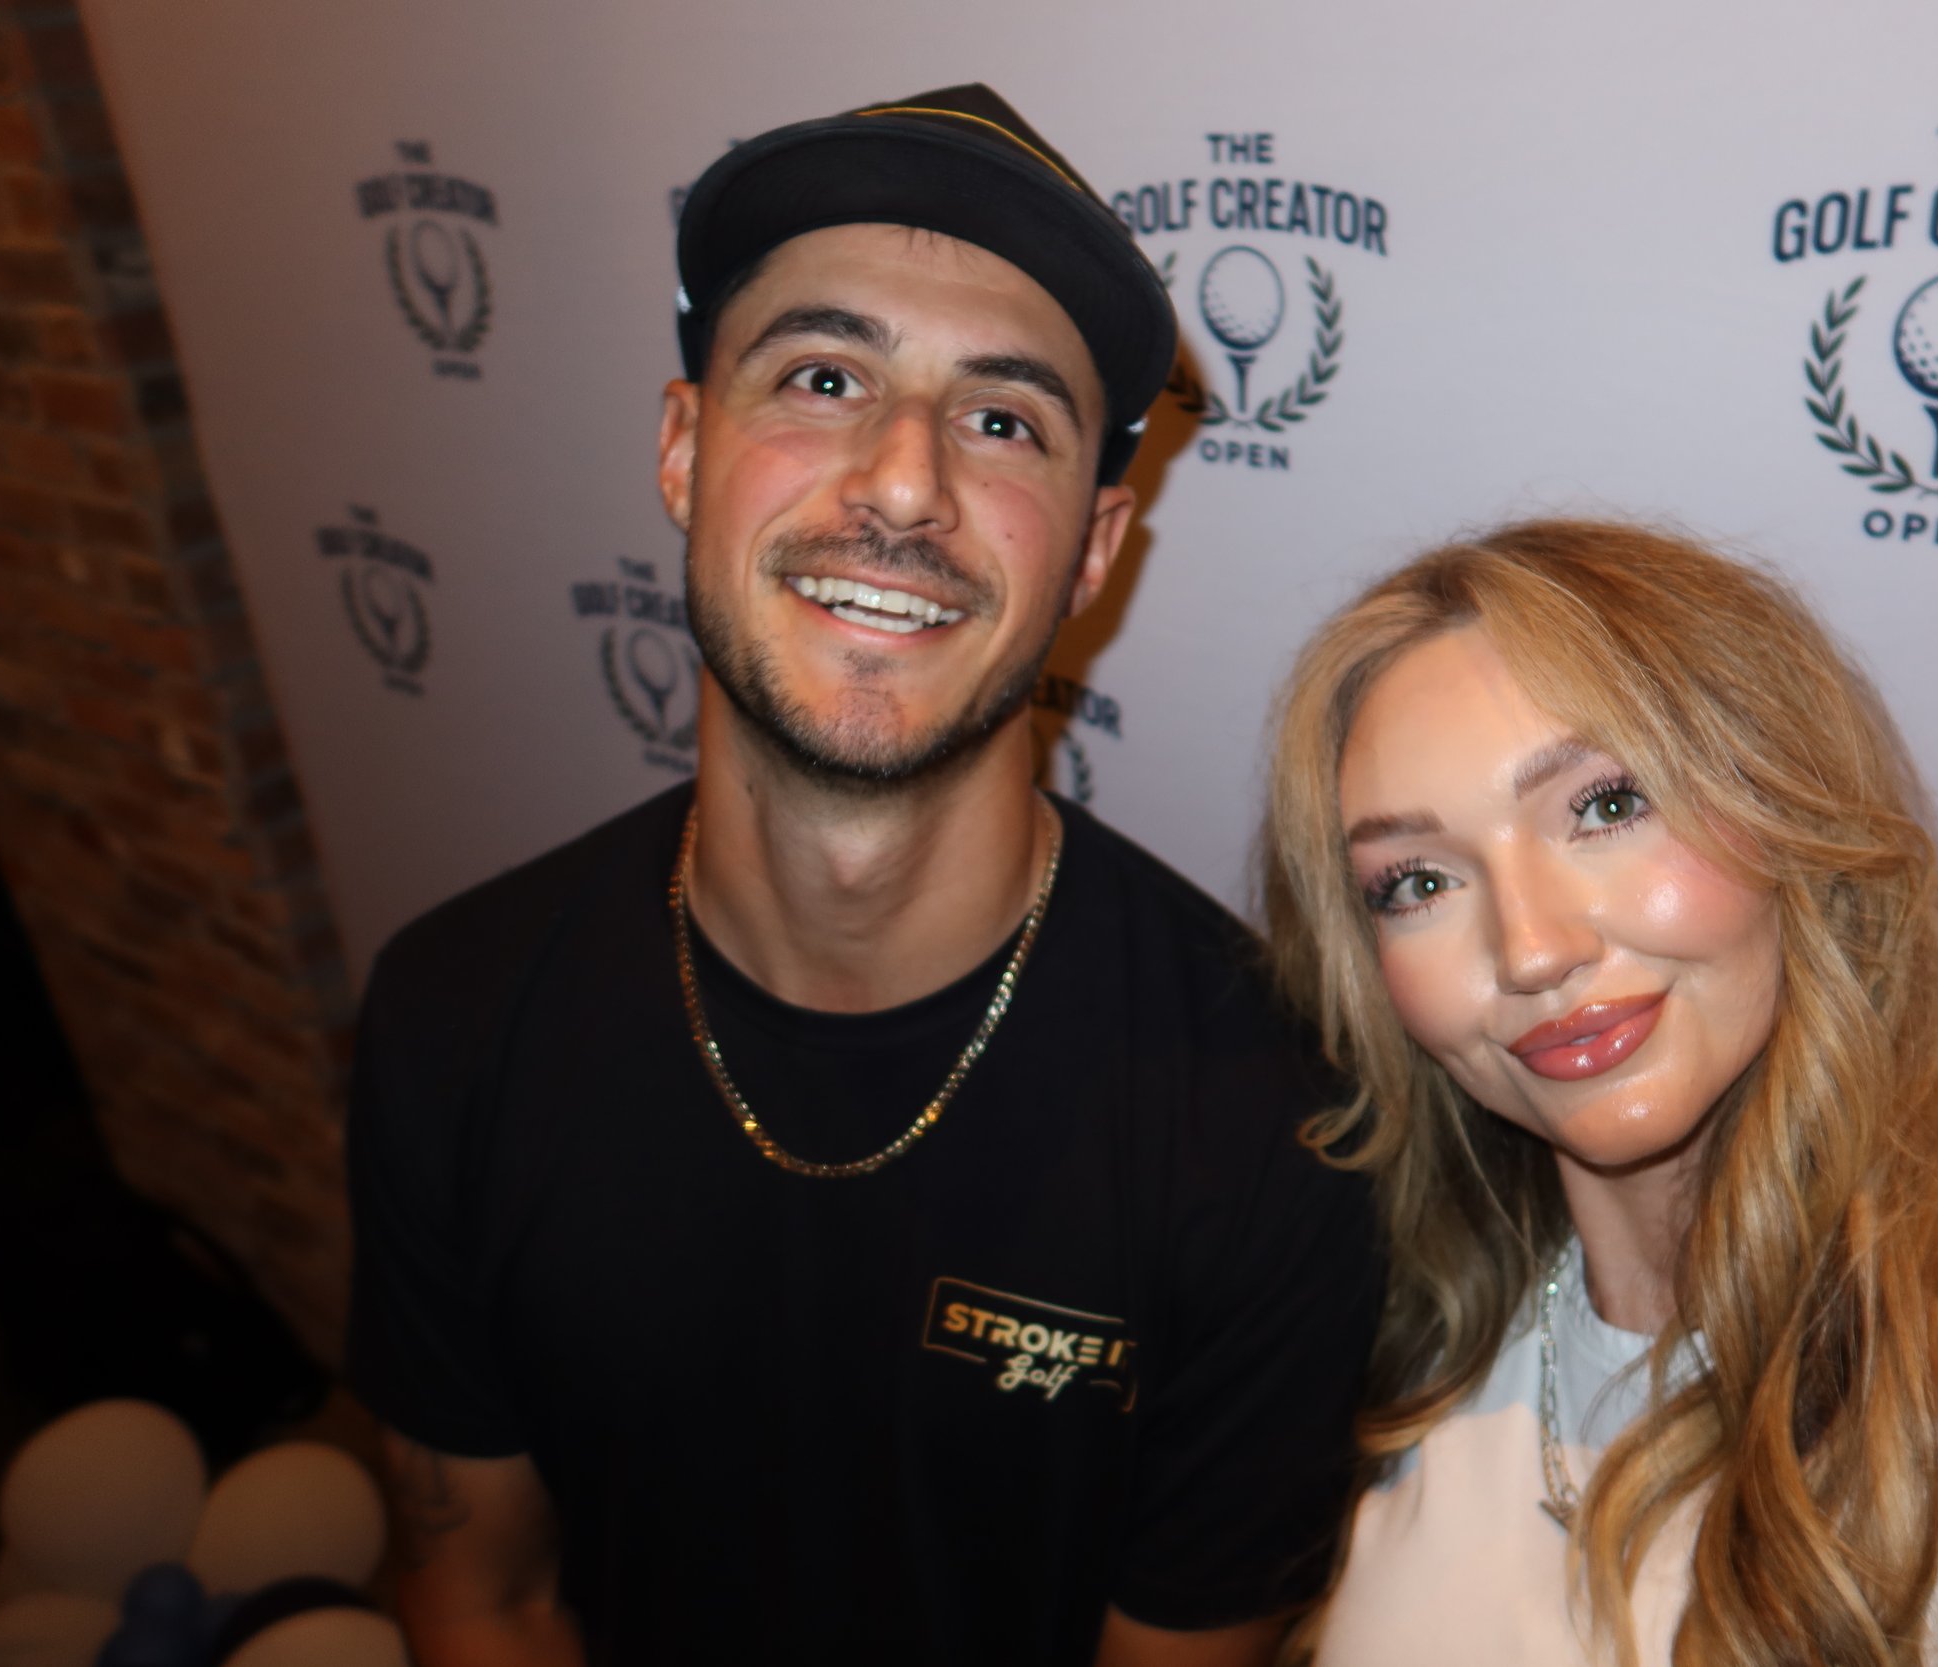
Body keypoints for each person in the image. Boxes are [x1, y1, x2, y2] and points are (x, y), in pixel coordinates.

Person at [346, 86, 1378, 1667]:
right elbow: (482, 1593)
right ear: (684, 449)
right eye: (824, 378)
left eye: (1003, 419)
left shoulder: (1275, 1129)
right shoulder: (453, 1012)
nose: (904, 484)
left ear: (1093, 549)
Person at [1257, 519, 1938, 1665]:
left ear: (1784, 812)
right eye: (1417, 880)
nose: (1532, 948)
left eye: (1604, 805)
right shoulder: (1422, 1316)